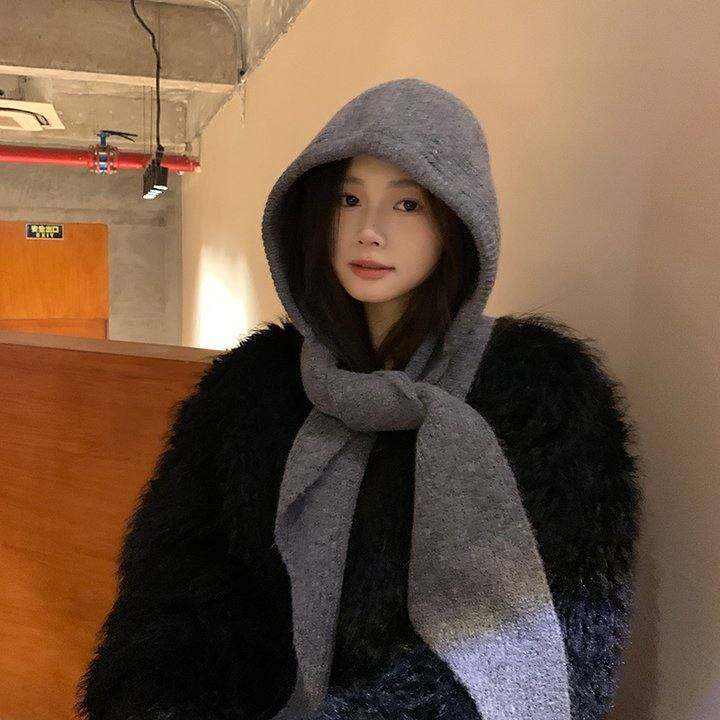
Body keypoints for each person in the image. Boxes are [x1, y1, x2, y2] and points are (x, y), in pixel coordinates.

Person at [76, 78, 642, 720]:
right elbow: (178, 595)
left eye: (408, 204)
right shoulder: (251, 391)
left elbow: (559, 637)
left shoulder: (538, 397)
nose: (369, 231)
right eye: (348, 199)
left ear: (459, 222)